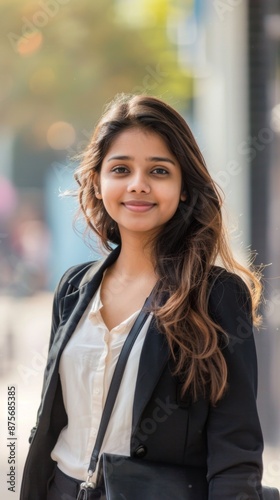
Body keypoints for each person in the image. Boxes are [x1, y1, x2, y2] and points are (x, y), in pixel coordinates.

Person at [20, 94, 264, 499]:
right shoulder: (72, 289)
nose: (138, 184)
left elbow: (235, 452)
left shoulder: (216, 296)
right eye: (120, 169)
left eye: (159, 170)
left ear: (184, 187)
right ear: (97, 183)